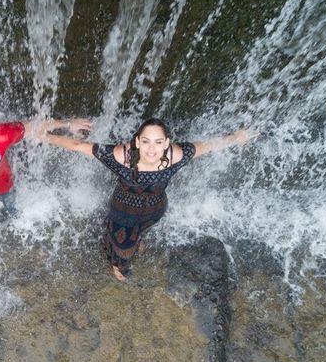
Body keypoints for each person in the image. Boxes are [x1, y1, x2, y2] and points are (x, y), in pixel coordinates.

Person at [42, 118, 257, 281]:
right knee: (122, 247)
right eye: (145, 141)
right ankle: (118, 266)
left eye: (158, 142)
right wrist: (43, 135)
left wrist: (234, 139)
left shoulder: (176, 155)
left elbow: (206, 146)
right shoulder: (121, 156)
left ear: (166, 143)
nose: (151, 149)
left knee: (139, 234)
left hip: (154, 210)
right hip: (123, 212)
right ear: (137, 141)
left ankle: (136, 240)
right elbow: (78, 146)